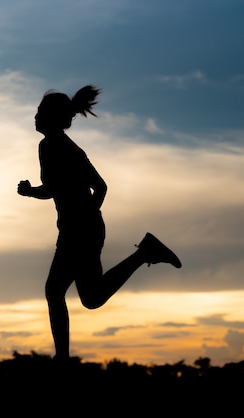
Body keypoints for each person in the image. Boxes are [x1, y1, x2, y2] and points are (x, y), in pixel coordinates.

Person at [17, 85, 182, 362]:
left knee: (54, 291)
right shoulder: (63, 147)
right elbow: (80, 188)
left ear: (52, 118)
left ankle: (62, 358)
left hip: (80, 231)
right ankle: (145, 252)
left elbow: (87, 187)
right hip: (82, 229)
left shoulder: (53, 146)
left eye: (39, 113)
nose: (34, 117)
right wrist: (37, 193)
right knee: (91, 298)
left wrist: (80, 216)